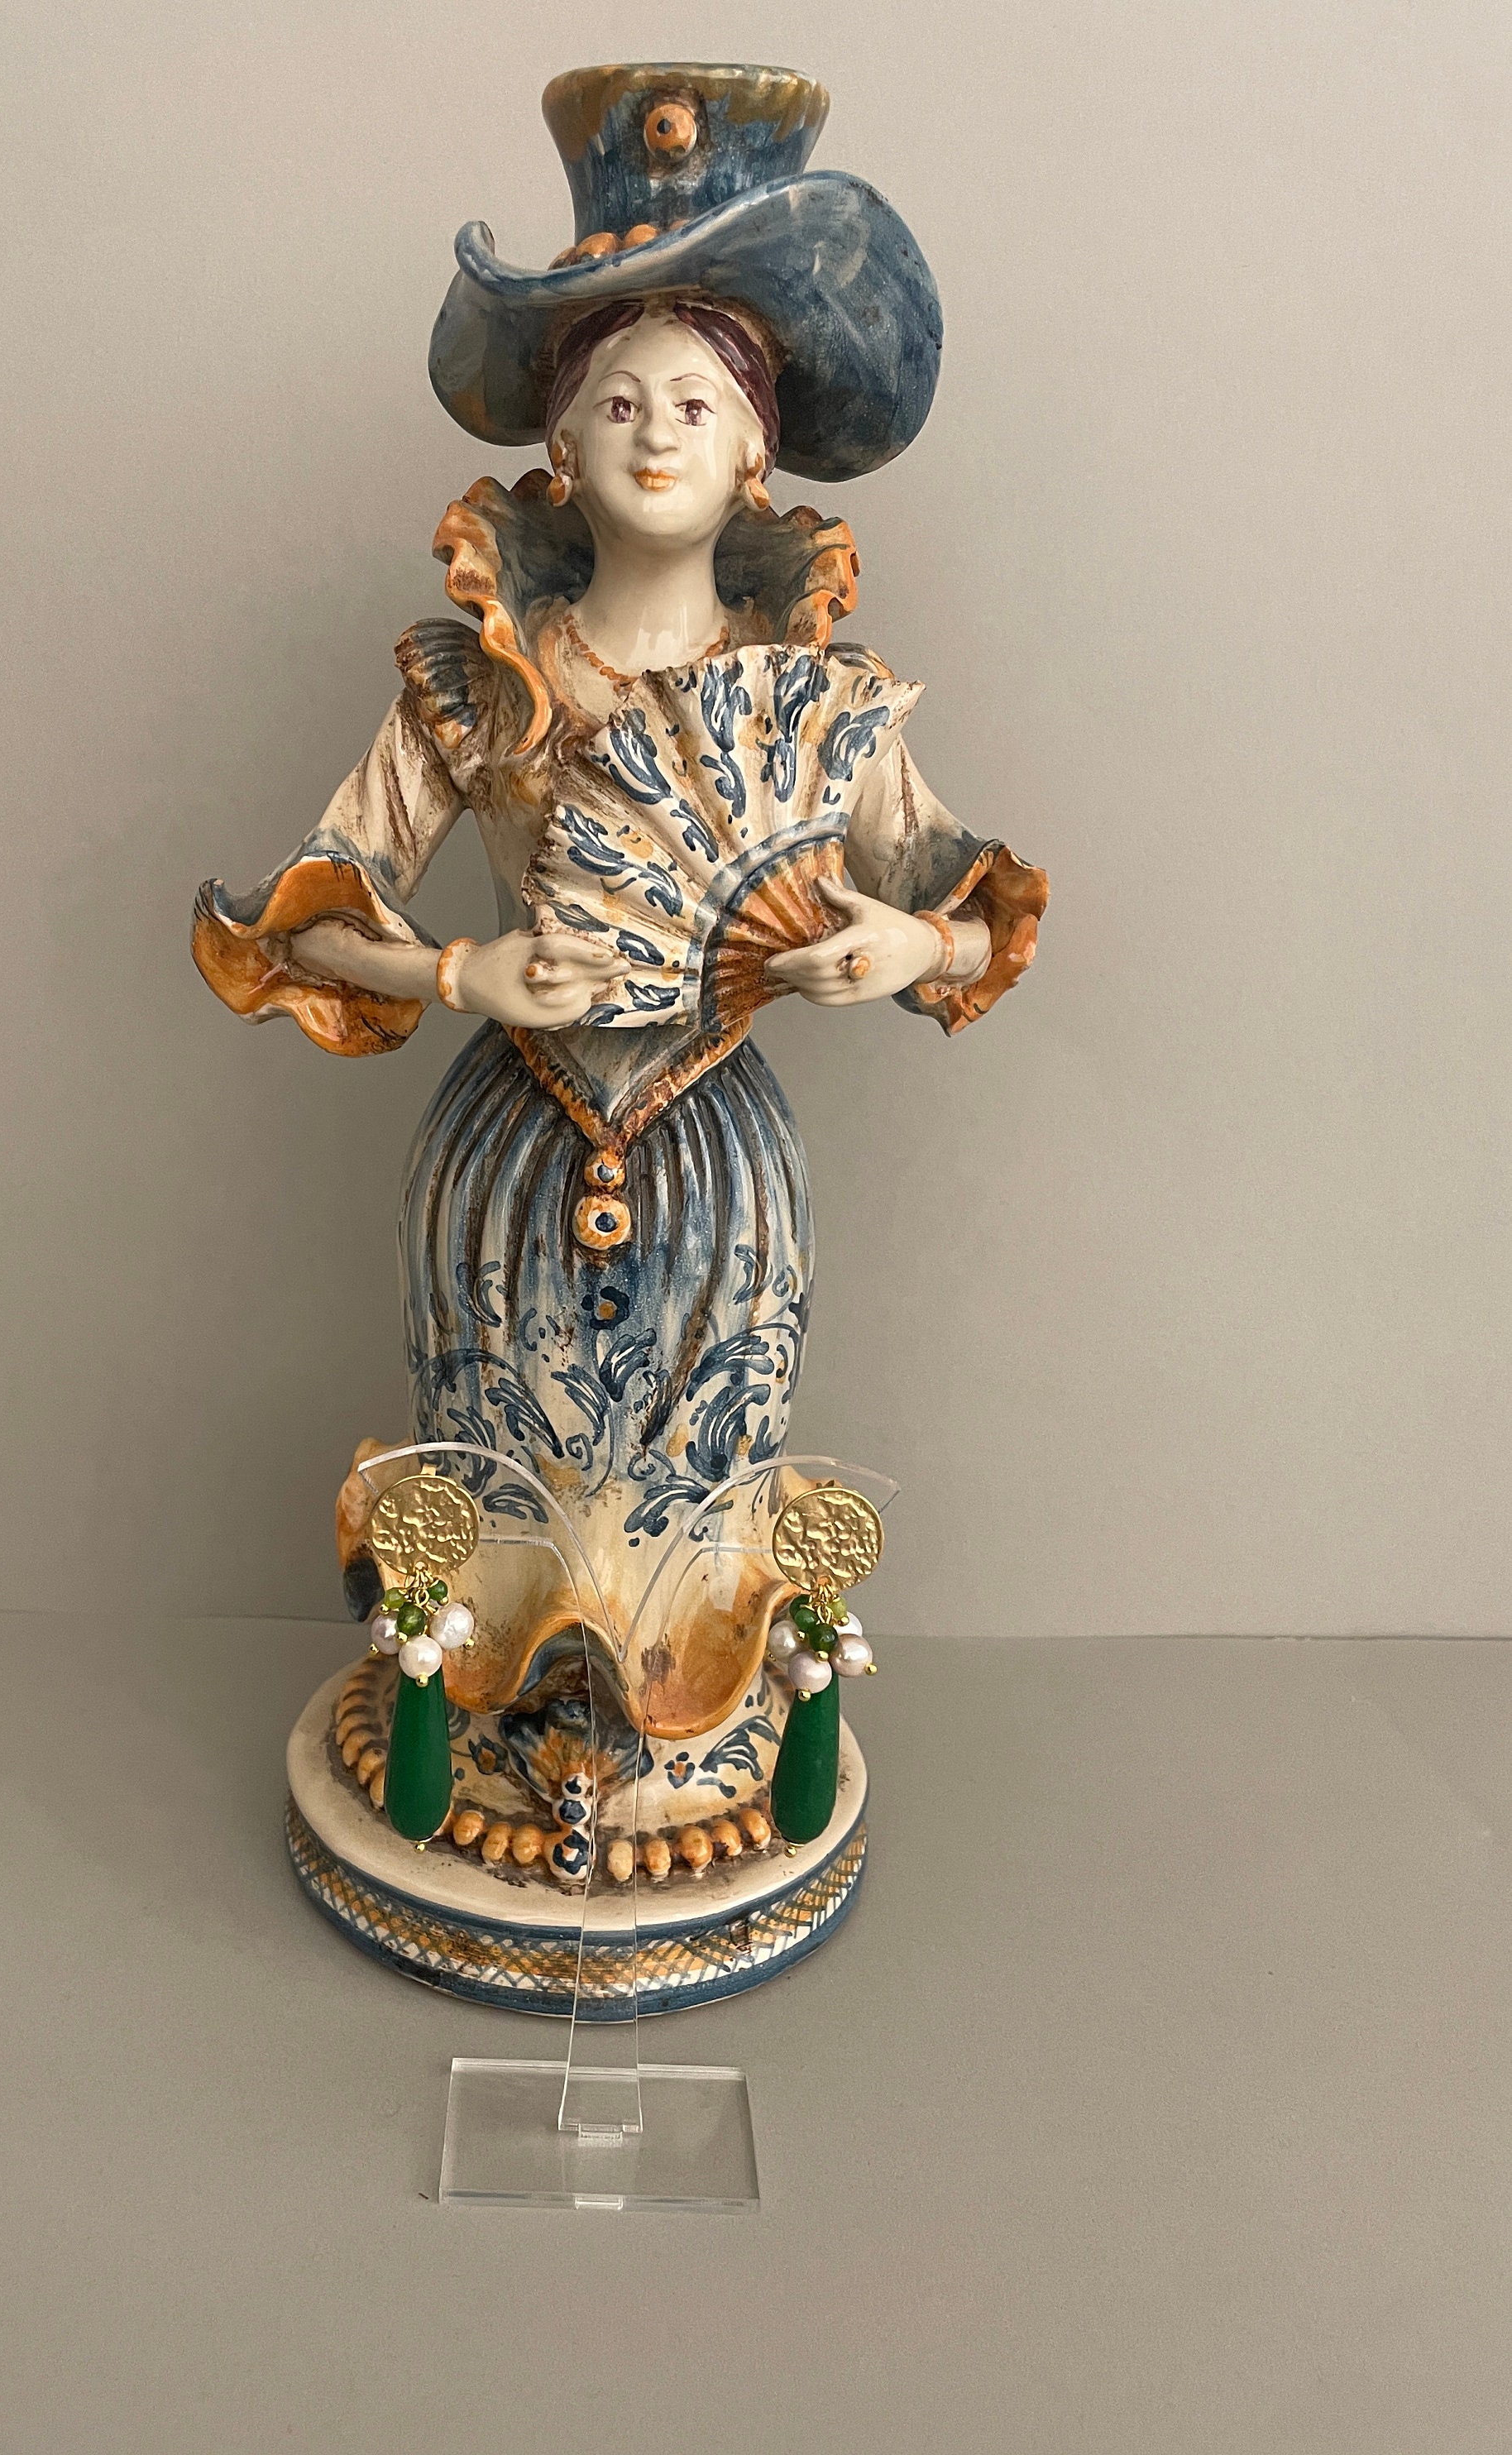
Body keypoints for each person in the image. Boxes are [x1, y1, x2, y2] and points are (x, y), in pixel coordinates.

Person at [194, 62, 1046, 1874]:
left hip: (719, 1167)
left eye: (695, 404)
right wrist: (461, 975)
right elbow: (304, 916)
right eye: (617, 402)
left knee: (695, 1478)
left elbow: (977, 909)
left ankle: (679, 1744)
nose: (657, 436)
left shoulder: (810, 699)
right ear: (560, 449)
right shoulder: (482, 678)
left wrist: (906, 937)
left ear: (756, 453)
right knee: (499, 1460)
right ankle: (491, 1737)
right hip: (505, 1152)